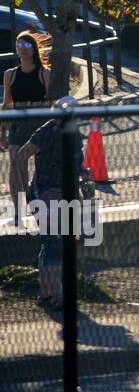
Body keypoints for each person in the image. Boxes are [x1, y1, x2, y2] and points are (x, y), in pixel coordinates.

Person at [12, 96, 86, 311]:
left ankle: (47, 294)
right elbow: (20, 156)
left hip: (66, 195)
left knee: (54, 244)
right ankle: (58, 294)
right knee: (54, 244)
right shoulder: (46, 132)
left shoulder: (74, 135)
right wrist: (26, 187)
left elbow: (75, 166)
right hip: (46, 194)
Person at [2, 31, 51, 223]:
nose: (22, 49)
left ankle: (32, 193)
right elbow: (6, 104)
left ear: (34, 49)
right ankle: (18, 210)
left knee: (32, 164)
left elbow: (51, 103)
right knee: (15, 163)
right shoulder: (10, 74)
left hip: (38, 125)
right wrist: (2, 132)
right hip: (17, 125)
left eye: (27, 45)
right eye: (19, 45)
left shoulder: (44, 73)